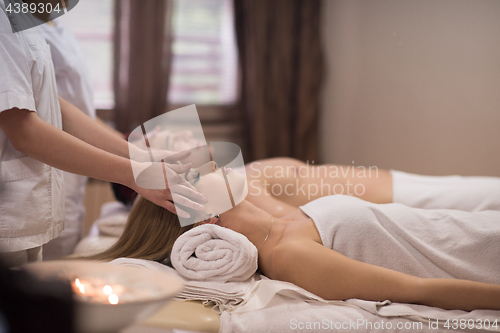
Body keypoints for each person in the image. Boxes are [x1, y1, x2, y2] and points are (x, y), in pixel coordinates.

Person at [87, 159, 500, 312]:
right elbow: (418, 290)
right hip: (478, 252)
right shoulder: (288, 256)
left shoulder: (288, 225)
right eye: (199, 176)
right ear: (204, 220)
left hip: (473, 230)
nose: (212, 164)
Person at [0, 1, 205, 267]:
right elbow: (26, 132)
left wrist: (141, 155)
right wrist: (135, 172)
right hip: (11, 208)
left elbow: (56, 106)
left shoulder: (26, 21)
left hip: (32, 208)